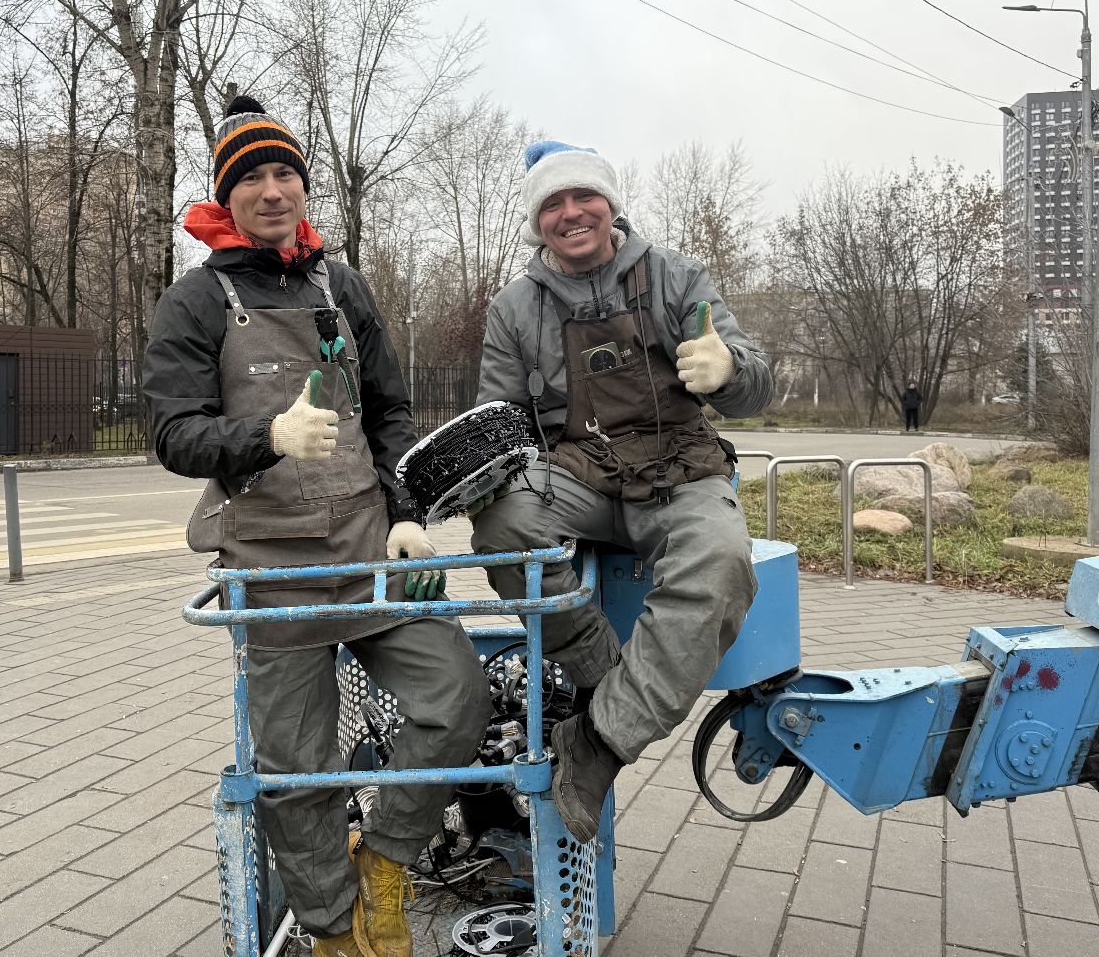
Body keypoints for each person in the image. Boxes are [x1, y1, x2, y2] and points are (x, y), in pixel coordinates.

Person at [144, 96, 490, 957]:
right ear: (228, 197)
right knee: (298, 773)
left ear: (304, 184)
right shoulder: (195, 302)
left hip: (372, 552)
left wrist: (409, 513)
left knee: (457, 699)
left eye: (284, 173)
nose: (272, 190)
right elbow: (172, 435)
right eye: (252, 177)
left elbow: (393, 409)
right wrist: (265, 437)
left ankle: (386, 861)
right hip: (272, 573)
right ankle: (336, 932)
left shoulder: (344, 284)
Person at [469, 140, 773, 843]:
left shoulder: (675, 276)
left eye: (585, 198)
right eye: (553, 204)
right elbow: (500, 421)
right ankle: (603, 674)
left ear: (611, 206)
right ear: (536, 221)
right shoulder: (515, 309)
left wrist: (728, 370)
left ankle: (599, 740)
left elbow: (755, 387)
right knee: (502, 524)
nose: (572, 213)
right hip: (579, 473)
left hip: (680, 470)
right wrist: (468, 483)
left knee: (724, 563)